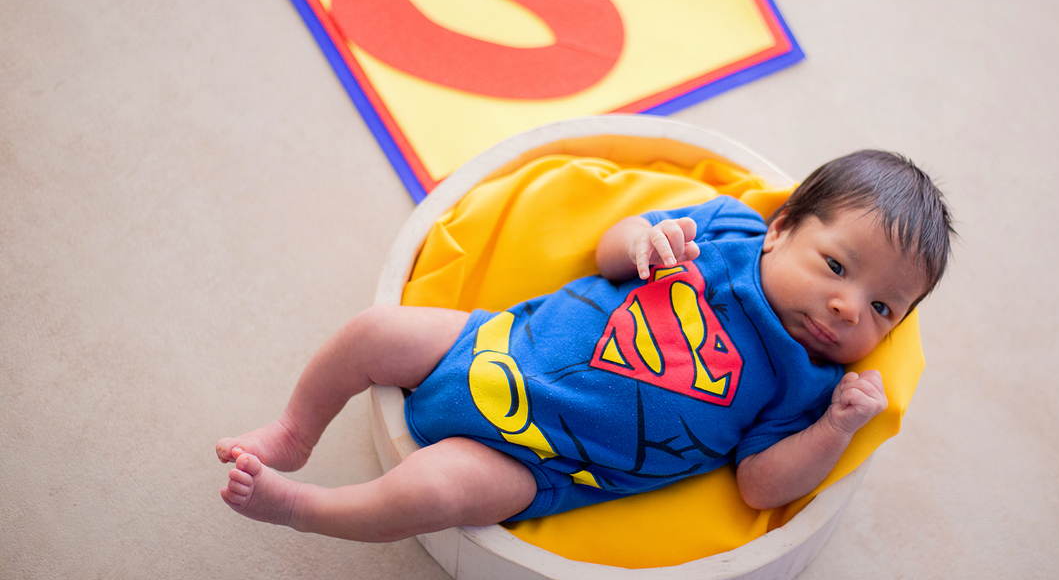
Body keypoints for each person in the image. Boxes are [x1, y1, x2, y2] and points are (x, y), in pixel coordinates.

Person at [217, 150, 953, 542]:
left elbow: (760, 486)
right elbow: (607, 252)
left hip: (541, 459)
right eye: (836, 266)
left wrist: (837, 427)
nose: (846, 307)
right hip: (497, 343)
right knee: (375, 331)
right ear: (784, 226)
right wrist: (643, 238)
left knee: (432, 492)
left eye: (883, 307)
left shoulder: (810, 386)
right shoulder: (725, 229)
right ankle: (292, 430)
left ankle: (307, 511)